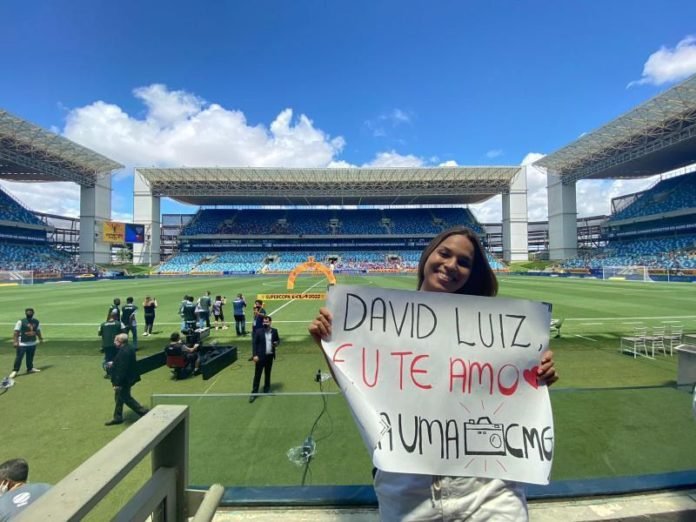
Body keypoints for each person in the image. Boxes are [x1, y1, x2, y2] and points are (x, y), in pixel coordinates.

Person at [309, 227, 558, 521]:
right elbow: (360, 387)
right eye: (445, 253)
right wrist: (331, 346)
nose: (451, 265)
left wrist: (536, 376)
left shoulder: (491, 331)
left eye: (464, 262)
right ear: (429, 255)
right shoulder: (384, 323)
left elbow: (507, 393)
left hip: (487, 491)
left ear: (471, 273)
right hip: (407, 492)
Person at [105, 333, 149, 425]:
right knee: (119, 397)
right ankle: (117, 416)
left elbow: (122, 369)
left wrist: (117, 384)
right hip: (129, 378)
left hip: (124, 380)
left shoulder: (123, 352)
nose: (114, 342)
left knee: (125, 397)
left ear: (120, 341)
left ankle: (143, 412)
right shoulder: (129, 348)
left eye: (115, 340)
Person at [249, 316, 280, 403]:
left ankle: (267, 389)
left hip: (269, 357)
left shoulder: (274, 331)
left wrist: (276, 343)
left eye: (266, 322)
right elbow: (254, 344)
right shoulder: (258, 331)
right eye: (264, 322)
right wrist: (254, 355)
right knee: (257, 375)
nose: (265, 323)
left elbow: (278, 340)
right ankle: (254, 393)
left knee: (267, 374)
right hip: (260, 357)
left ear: (270, 322)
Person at [9, 308, 44, 379]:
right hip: (22, 343)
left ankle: (30, 368)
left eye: (30, 312)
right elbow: (16, 332)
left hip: (32, 342)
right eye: (28, 312)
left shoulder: (36, 321)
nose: (29, 313)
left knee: (30, 357)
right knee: (19, 357)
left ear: (33, 313)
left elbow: (38, 331)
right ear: (25, 313)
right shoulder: (21, 321)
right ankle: (15, 370)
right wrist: (15, 342)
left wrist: (40, 339)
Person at [98, 311, 125, 378]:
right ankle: (117, 373)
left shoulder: (102, 324)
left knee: (108, 359)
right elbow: (124, 332)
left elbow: (99, 333)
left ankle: (109, 373)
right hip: (117, 344)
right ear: (116, 316)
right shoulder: (119, 323)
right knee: (118, 358)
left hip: (106, 345)